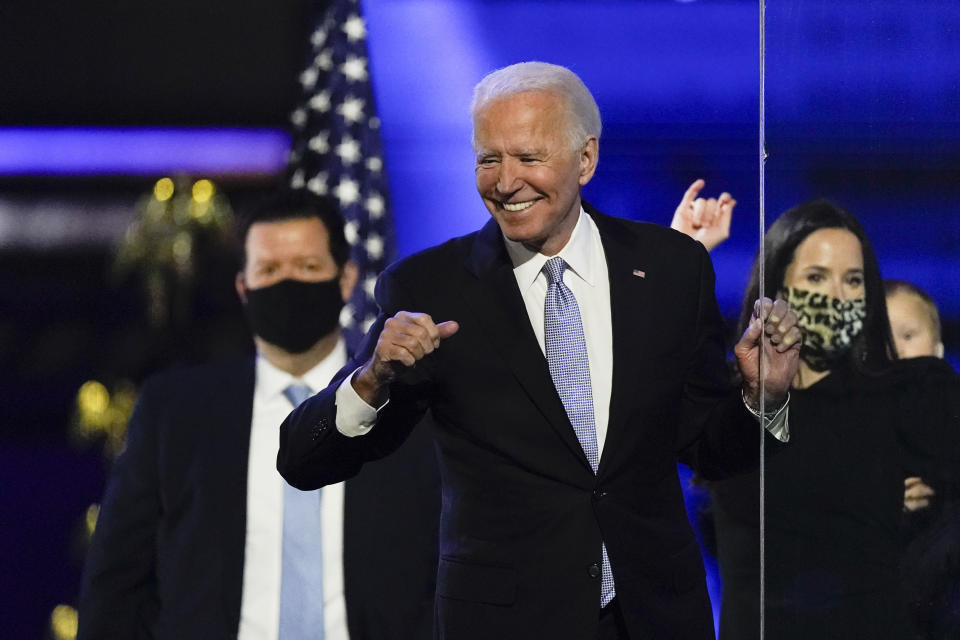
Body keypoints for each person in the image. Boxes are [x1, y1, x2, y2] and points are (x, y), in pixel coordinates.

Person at [276, 61, 801, 640]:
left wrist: (761, 396)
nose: (505, 182)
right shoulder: (430, 288)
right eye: (488, 160)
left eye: (529, 158)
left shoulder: (673, 268)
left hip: (653, 618)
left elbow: (708, 447)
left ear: (586, 159)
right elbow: (303, 462)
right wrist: (371, 380)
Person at [78, 191, 440, 640]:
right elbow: (117, 583)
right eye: (269, 270)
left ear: (346, 280)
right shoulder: (175, 411)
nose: (287, 283)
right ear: (242, 287)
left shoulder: (408, 408)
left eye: (307, 268)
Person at [709, 200, 960, 639]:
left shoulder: (909, 392)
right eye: (816, 277)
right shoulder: (734, 401)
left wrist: (928, 512)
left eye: (854, 280)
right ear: (778, 286)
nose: (837, 297)